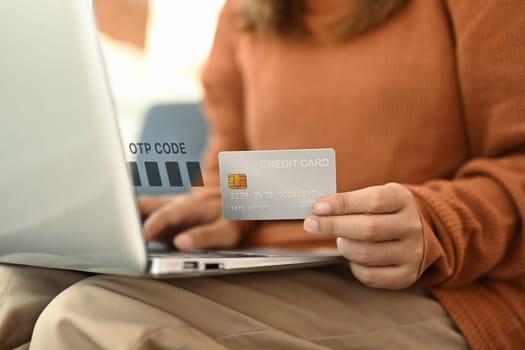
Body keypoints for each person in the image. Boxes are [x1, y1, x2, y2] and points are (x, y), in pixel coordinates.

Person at [1, 0, 524, 348]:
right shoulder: (243, 13)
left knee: (97, 321)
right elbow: (235, 169)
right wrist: (223, 206)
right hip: (274, 264)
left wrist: (438, 223)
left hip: (449, 289)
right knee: (11, 289)